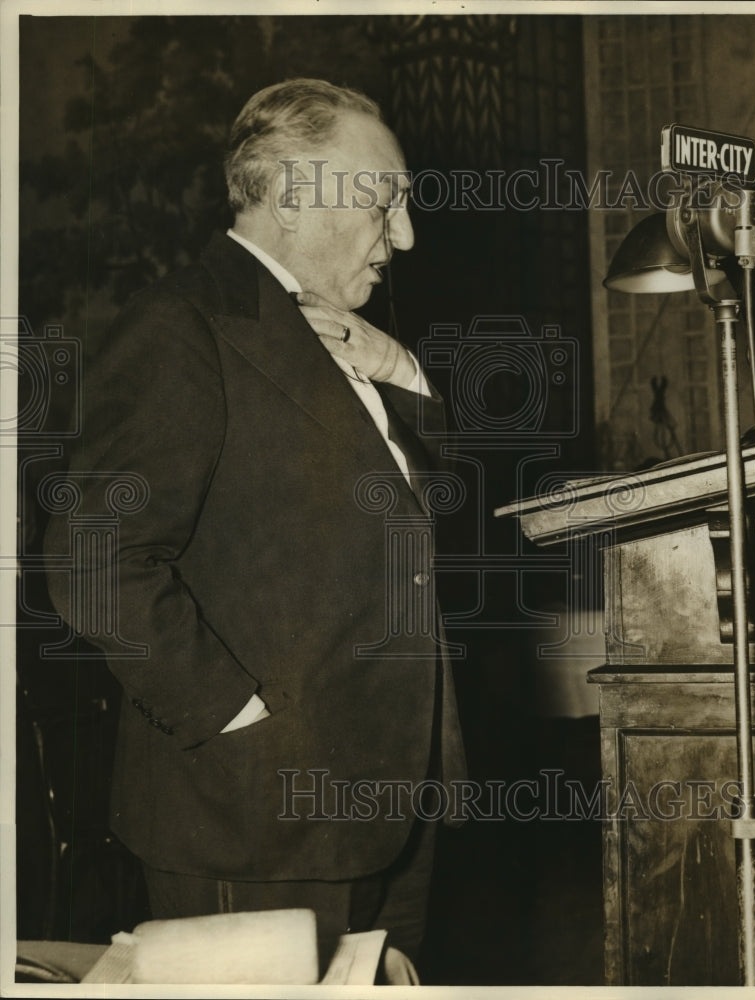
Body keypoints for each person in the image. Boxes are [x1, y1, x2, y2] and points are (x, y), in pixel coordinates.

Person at [43, 78, 466, 971]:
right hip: (257, 818)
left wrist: (405, 374)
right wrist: (237, 718)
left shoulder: (346, 334)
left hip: (388, 808)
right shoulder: (182, 325)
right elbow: (93, 558)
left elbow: (428, 525)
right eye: (385, 199)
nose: (408, 236)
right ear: (292, 191)